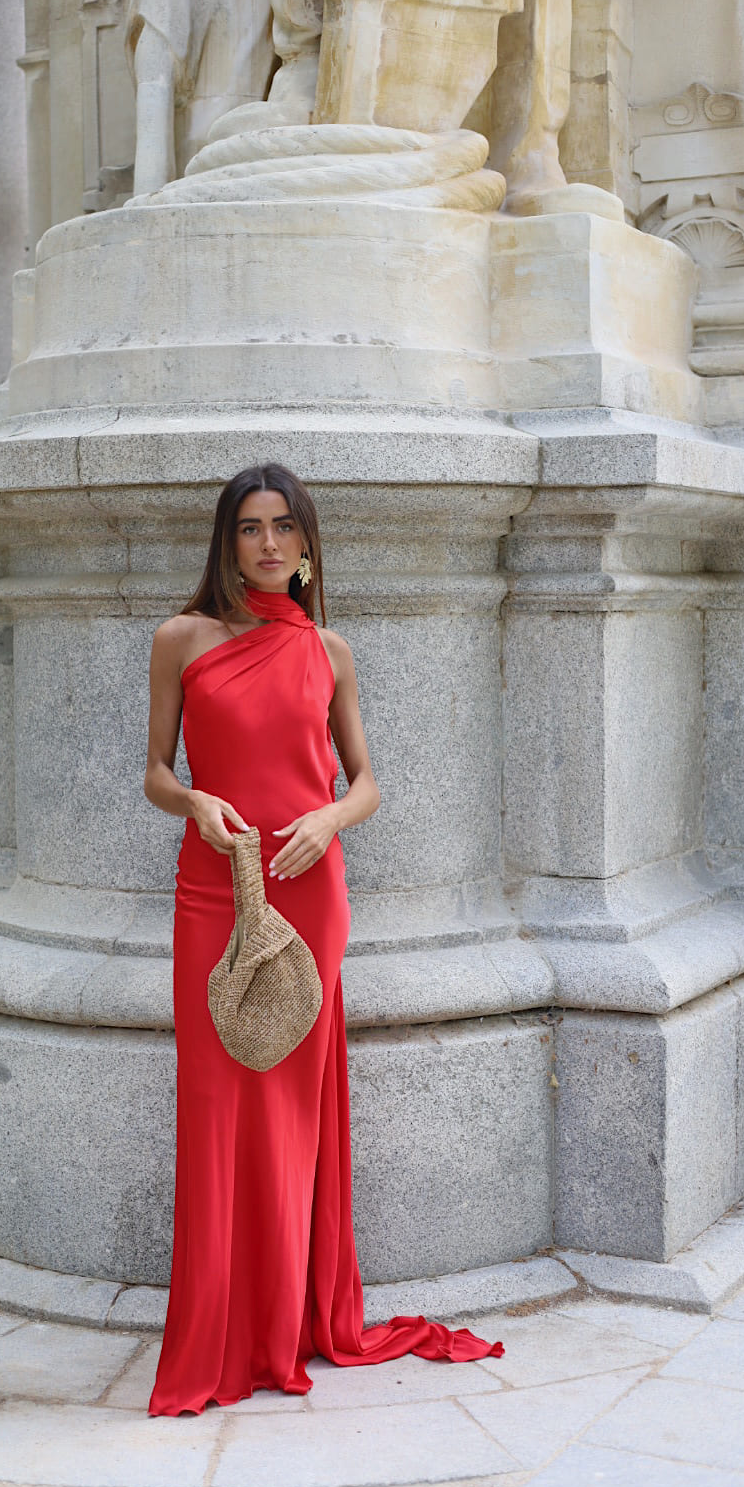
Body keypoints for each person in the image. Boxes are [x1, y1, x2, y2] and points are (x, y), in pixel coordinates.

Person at [142, 463, 505, 1416]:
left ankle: (286, 1327)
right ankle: (220, 1340)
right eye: (249, 528)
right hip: (214, 888)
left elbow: (367, 781)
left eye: (283, 528)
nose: (266, 544)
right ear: (227, 543)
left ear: (306, 546)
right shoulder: (181, 640)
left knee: (293, 1115)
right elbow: (153, 773)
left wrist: (330, 822)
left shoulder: (330, 651)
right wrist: (196, 800)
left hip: (308, 893)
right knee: (218, 1109)